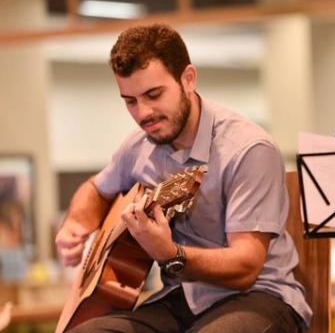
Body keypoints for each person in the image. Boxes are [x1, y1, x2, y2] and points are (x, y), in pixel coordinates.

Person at [55, 23, 310, 332]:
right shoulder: (138, 147)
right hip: (182, 299)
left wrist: (170, 253)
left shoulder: (247, 148)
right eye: (130, 100)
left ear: (188, 79)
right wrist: (76, 223)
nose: (143, 113)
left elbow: (246, 267)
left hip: (259, 297)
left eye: (153, 94)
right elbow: (96, 188)